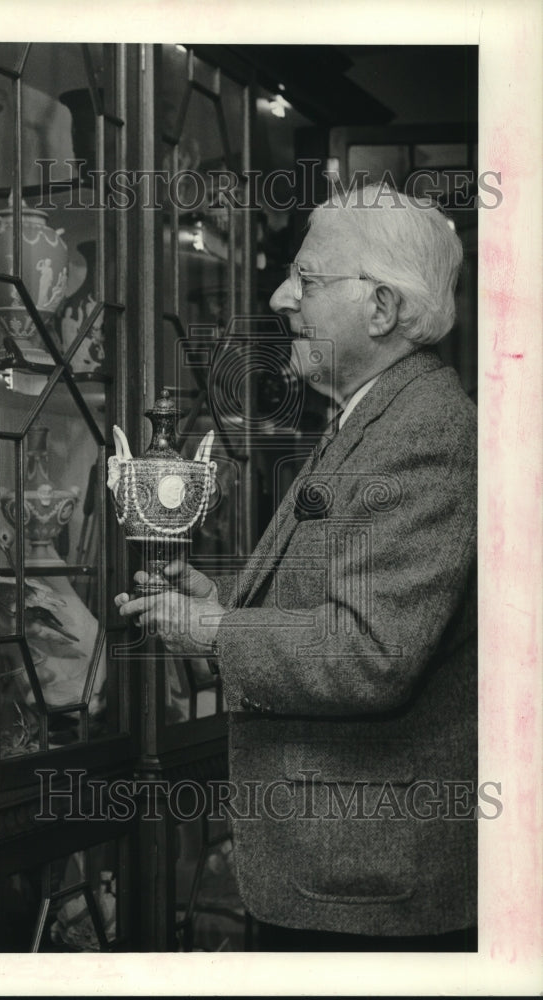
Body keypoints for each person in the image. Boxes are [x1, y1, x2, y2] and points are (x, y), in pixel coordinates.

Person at [115, 183, 477, 951]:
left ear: (381, 309)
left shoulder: (425, 431)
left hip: (364, 894)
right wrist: (223, 604)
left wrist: (215, 631)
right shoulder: (377, 413)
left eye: (307, 280)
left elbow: (369, 653)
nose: (282, 298)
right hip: (335, 879)